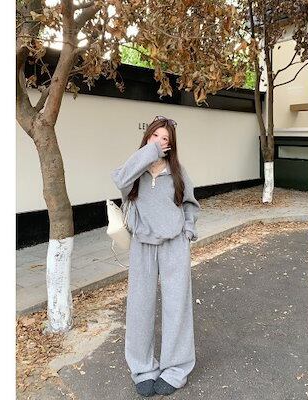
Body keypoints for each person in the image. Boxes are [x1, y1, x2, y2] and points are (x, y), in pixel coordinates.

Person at [111, 115, 201, 397]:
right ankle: (143, 369)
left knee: (177, 306)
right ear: (147, 137)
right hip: (142, 245)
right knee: (139, 307)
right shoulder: (134, 171)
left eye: (165, 139)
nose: (160, 142)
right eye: (155, 136)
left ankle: (176, 370)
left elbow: (190, 204)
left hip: (174, 244)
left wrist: (188, 230)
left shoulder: (177, 172)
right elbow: (119, 179)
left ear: (171, 145)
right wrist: (148, 153)